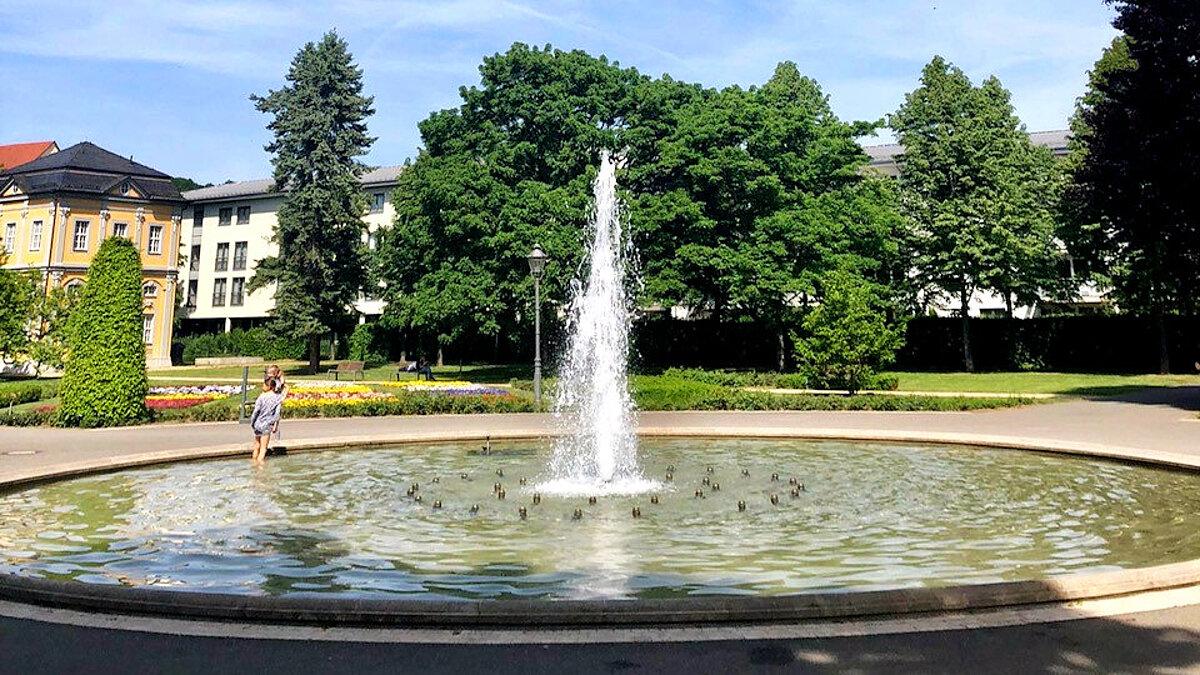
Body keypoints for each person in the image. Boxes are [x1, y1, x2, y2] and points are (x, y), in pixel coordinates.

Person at [249, 376, 284, 463]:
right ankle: (260, 468)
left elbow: (256, 411)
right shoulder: (278, 397)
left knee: (257, 445)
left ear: (269, 386)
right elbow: (277, 413)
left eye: (264, 384)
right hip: (267, 425)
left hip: (258, 423)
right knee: (263, 449)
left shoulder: (261, 397)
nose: (263, 386)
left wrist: (253, 422)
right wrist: (276, 425)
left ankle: (253, 463)